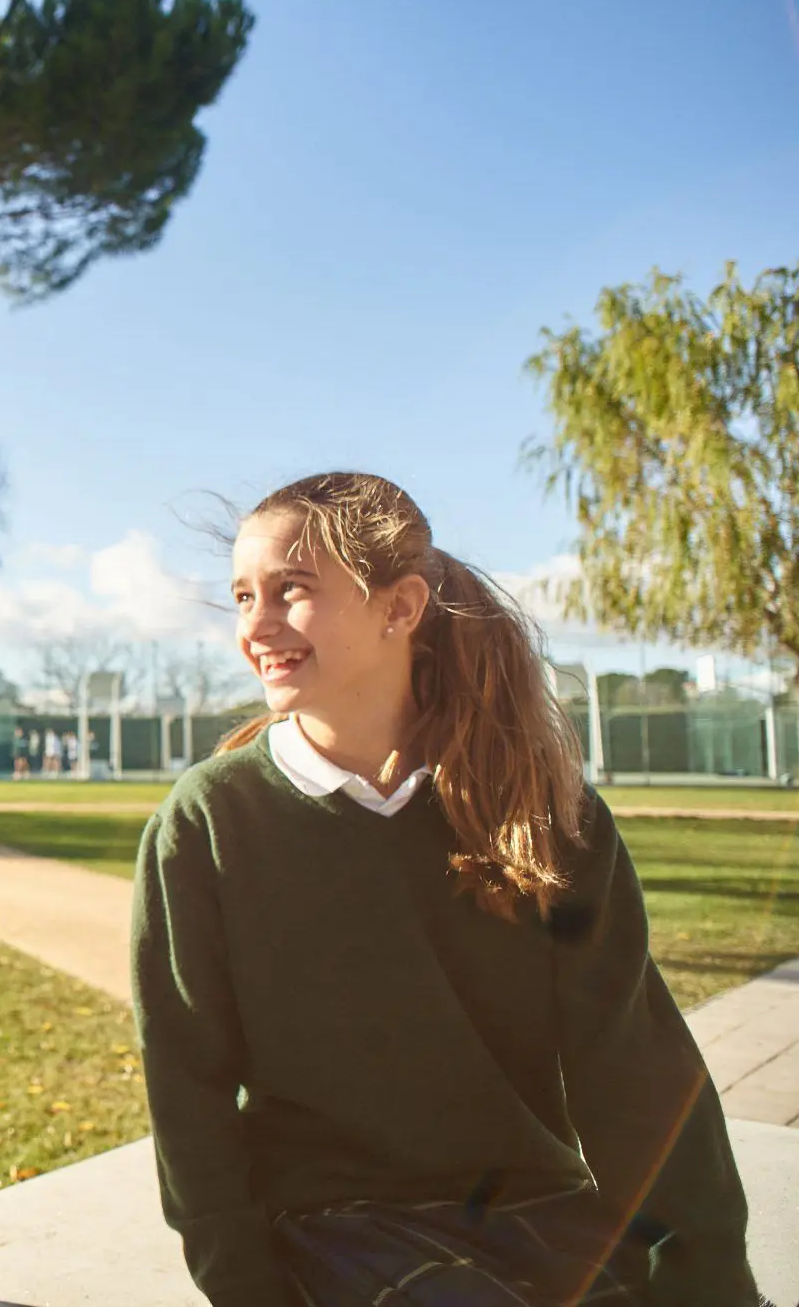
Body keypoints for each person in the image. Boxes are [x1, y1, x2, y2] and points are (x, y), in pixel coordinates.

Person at [132, 472, 762, 1306]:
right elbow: (189, 1093)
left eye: (291, 590)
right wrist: (248, 1289)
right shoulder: (207, 823)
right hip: (330, 1223)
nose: (256, 625)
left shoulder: (547, 814)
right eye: (245, 595)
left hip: (535, 1208)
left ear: (400, 608)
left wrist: (710, 1281)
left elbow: (634, 1068)